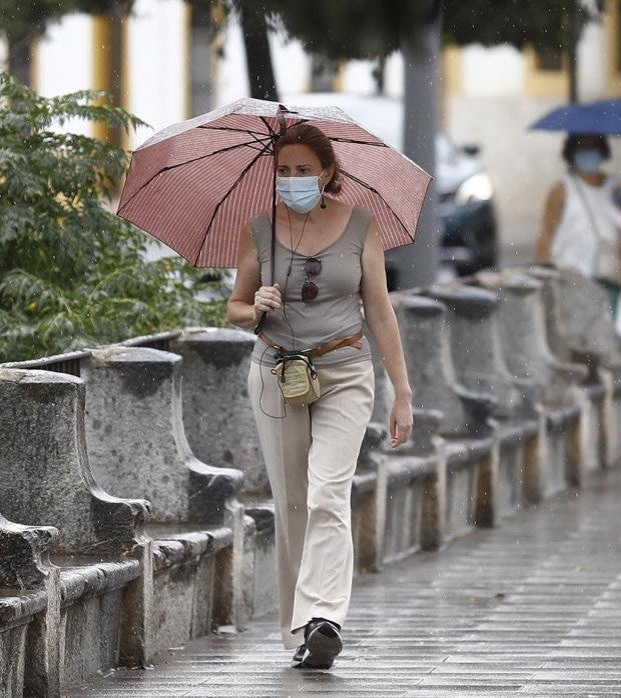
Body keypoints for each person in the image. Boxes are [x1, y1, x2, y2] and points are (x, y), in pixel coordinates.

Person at [226, 123, 414, 670]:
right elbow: (235, 309)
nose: (292, 181)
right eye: (283, 172)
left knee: (328, 493)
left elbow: (379, 309)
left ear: (328, 173)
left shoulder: (361, 226)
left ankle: (324, 617)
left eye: (303, 171)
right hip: (277, 373)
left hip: (345, 369)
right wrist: (255, 302)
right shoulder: (258, 229)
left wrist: (402, 391)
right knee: (292, 503)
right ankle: (302, 629)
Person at [535, 134, 621, 319]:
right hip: (571, 277)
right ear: (571, 153)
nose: (588, 153)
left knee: (606, 338)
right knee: (577, 337)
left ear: (602, 151)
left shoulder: (615, 187)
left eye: (592, 147)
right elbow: (546, 233)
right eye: (582, 148)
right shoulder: (561, 189)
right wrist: (541, 275)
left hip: (608, 273)